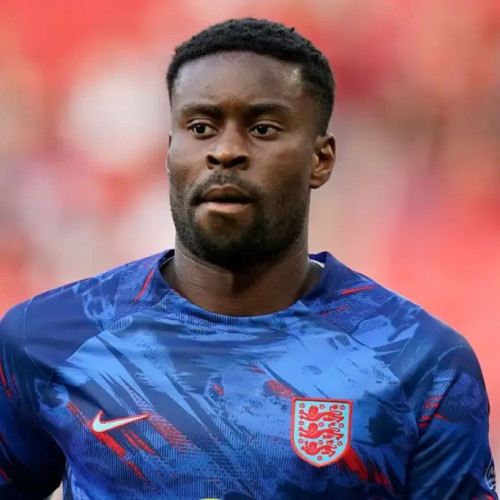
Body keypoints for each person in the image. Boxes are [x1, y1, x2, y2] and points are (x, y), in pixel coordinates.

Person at [0, 18, 496, 500]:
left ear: (321, 159)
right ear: (170, 151)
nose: (226, 151)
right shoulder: (48, 339)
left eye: (262, 128)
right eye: (200, 127)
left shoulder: (420, 363)